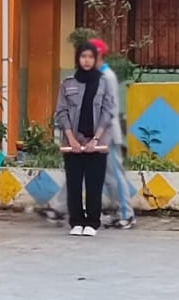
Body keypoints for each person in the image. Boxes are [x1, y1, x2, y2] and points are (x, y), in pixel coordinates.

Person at [55, 41, 118, 237]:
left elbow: (107, 112)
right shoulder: (68, 83)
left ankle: (92, 222)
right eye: (83, 56)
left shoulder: (104, 82)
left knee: (94, 184)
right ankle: (76, 221)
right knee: (74, 184)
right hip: (72, 142)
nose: (87, 60)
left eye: (91, 57)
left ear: (95, 59)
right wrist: (71, 139)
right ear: (78, 59)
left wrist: (96, 139)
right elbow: (61, 112)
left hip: (97, 144)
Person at [90, 38, 135, 230]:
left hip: (108, 134)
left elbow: (109, 109)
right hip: (98, 134)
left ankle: (127, 214)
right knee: (107, 177)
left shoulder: (106, 76)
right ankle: (119, 212)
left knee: (115, 175)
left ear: (99, 55)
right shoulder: (97, 75)